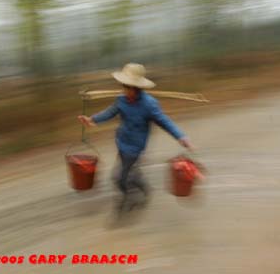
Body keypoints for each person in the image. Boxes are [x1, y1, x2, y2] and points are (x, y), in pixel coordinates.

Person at [78, 63, 194, 211]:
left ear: (136, 88)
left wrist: (181, 136)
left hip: (135, 148)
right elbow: (109, 112)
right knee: (131, 174)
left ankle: (128, 197)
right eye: (123, 86)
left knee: (118, 178)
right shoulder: (121, 100)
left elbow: (164, 122)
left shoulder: (149, 105)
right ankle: (144, 189)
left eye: (127, 87)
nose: (124, 90)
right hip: (121, 142)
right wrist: (91, 120)